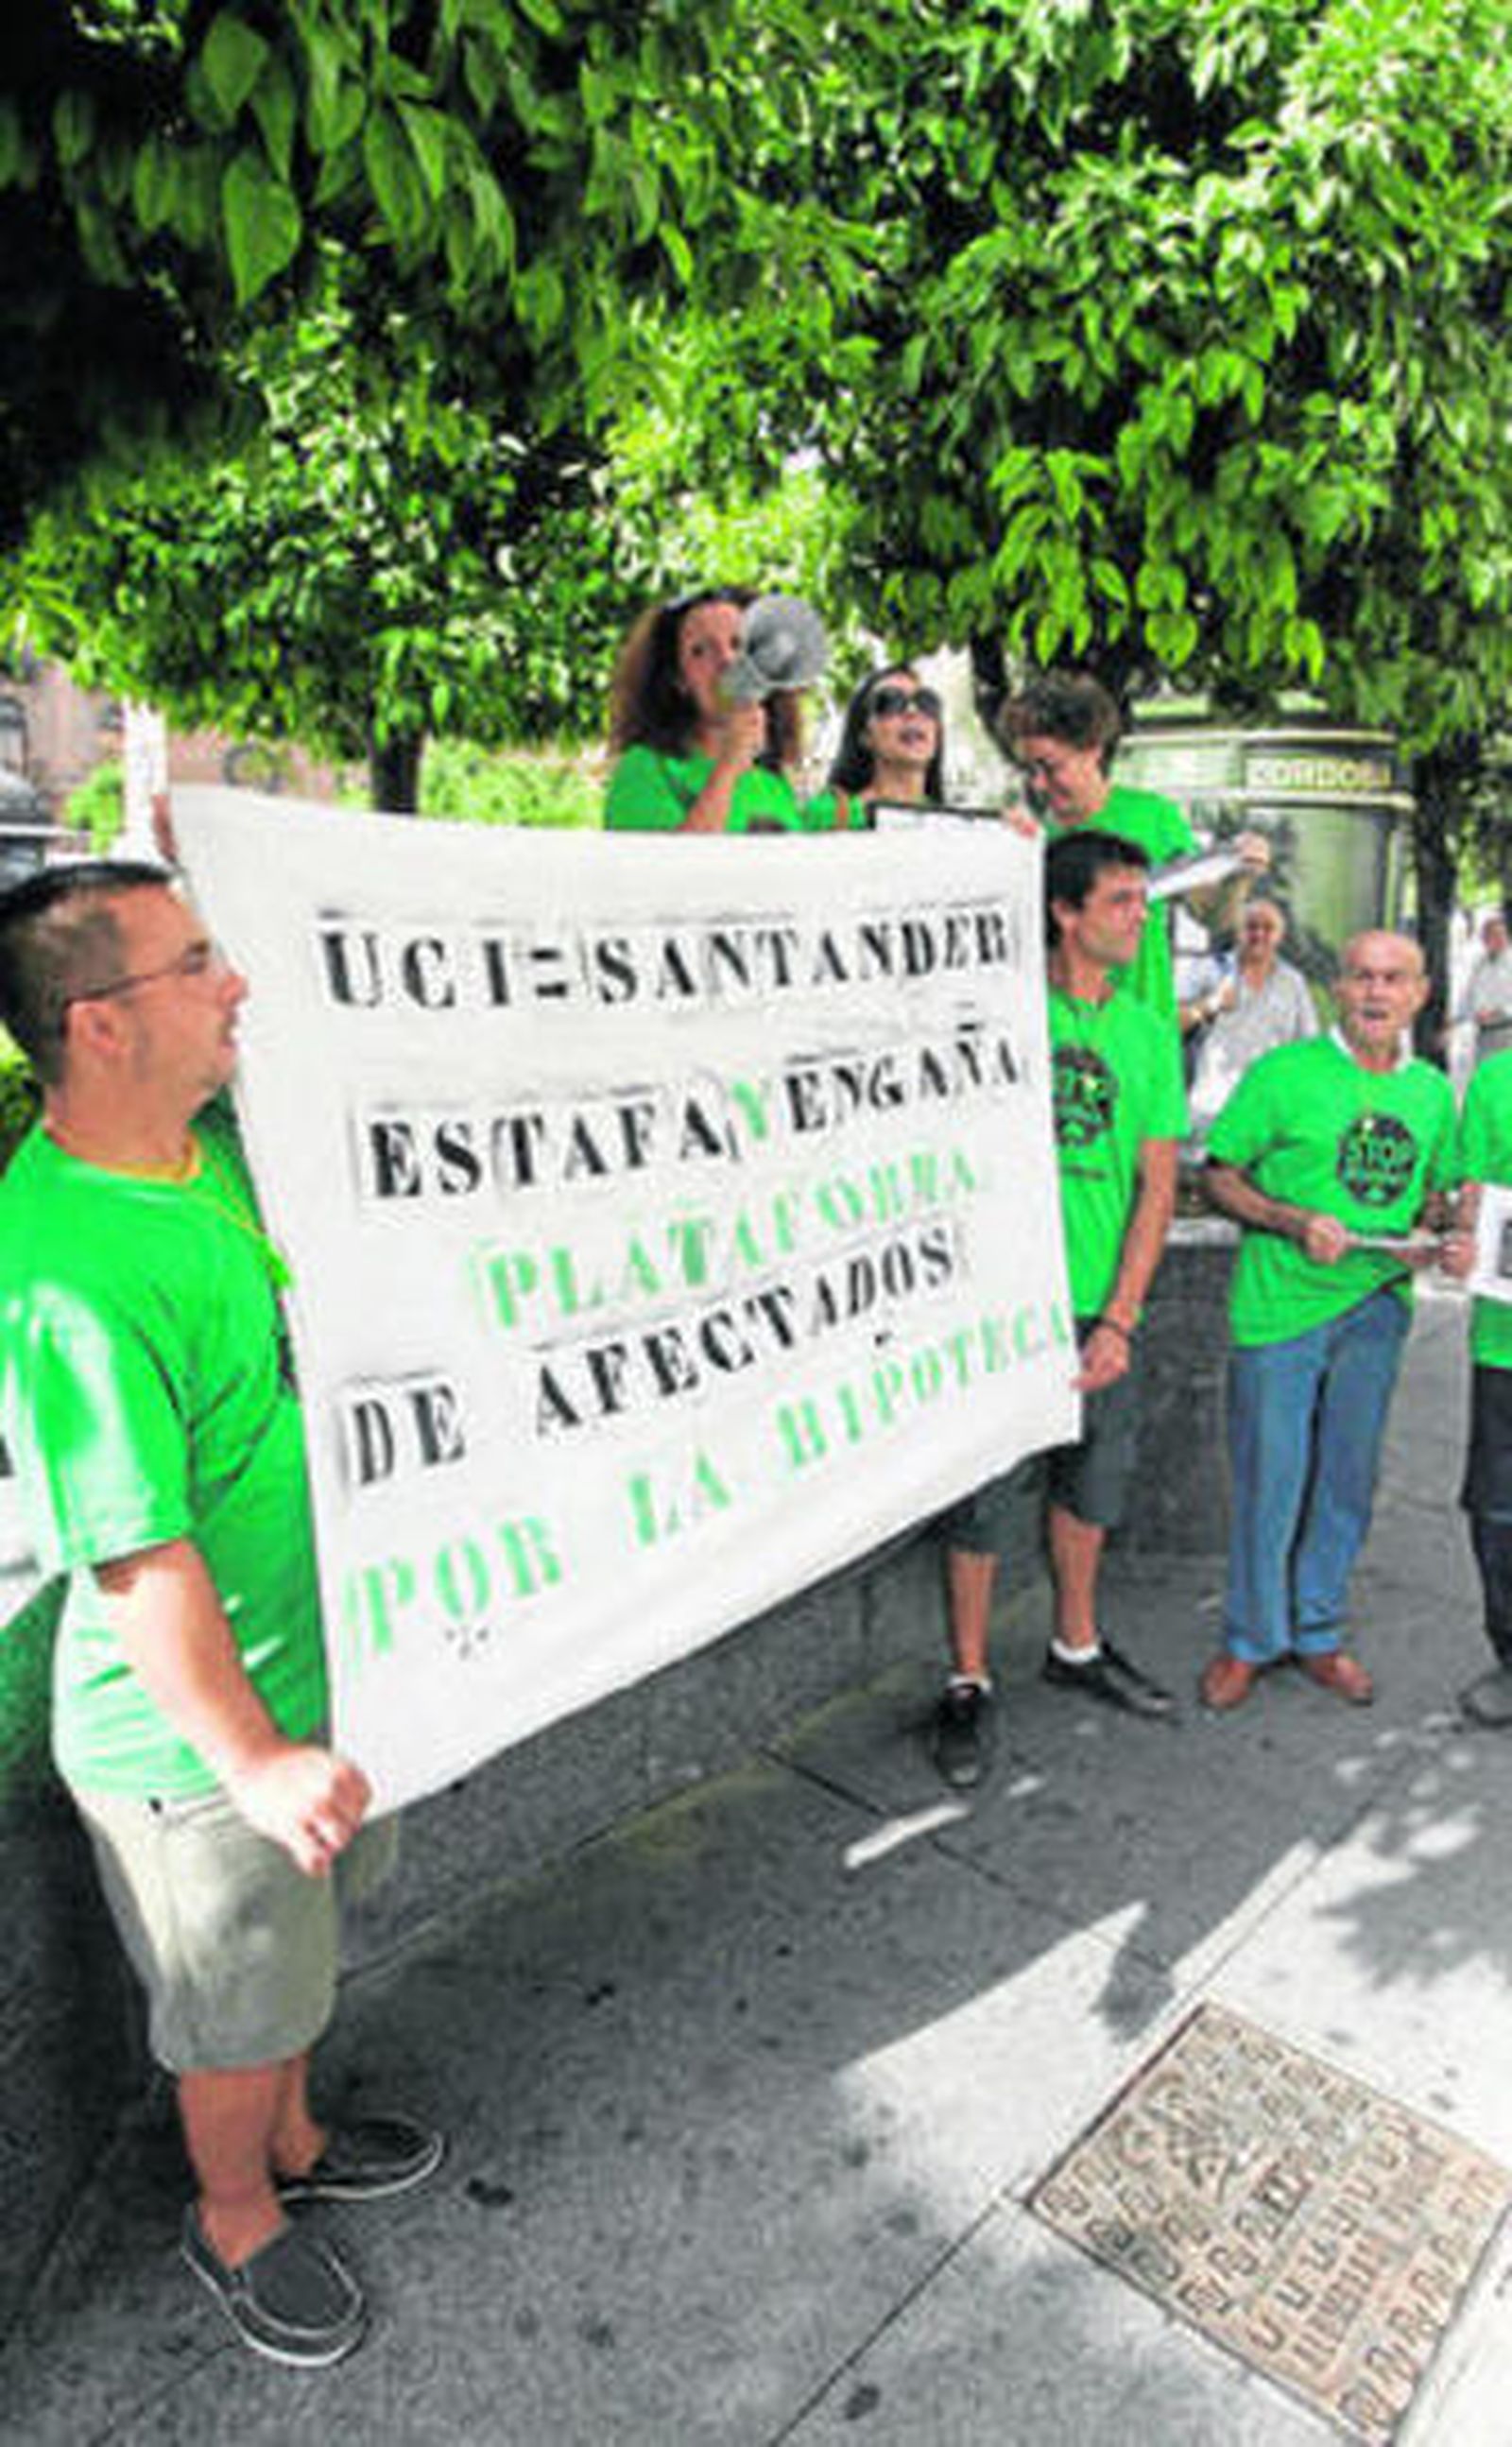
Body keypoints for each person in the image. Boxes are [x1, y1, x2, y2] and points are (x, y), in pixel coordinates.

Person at [0, 863, 441, 2369]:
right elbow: (134, 1555)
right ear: (99, 1025)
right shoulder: (70, 1269)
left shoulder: (198, 1155)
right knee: (232, 2009)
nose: (234, 983)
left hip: (308, 1674)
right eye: (198, 963)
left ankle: (299, 2138)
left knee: (289, 1971)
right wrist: (254, 1763)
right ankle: (238, 2211)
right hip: (198, 1741)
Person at [933, 829, 1188, 1788]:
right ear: (1065, 911)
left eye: (1141, 898)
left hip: (1095, 1308)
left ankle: (1074, 1646)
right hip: (1001, 1304)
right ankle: (966, 1678)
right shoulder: (998, 1011)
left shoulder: (1146, 1031)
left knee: (1091, 1488)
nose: (1140, 916)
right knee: (985, 1500)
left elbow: (1154, 1186)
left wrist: (1119, 1316)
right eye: (1121, 900)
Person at [1199, 931, 1457, 1712]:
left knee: (1346, 1479)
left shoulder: (1432, 1093)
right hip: (1280, 1308)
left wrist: (1432, 1232)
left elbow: (1433, 1197)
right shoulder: (1285, 1073)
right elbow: (1219, 1177)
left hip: (1374, 1307)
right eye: (1362, 977)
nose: (1377, 994)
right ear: (1337, 990)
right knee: (1269, 1482)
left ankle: (1317, 1631)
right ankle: (1249, 1639)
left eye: (1394, 979)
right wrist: (1289, 1218)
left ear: (1419, 992)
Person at [1000, 669, 1271, 1023]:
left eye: (1050, 767)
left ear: (1093, 751)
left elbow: (1212, 916)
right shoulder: (1031, 839)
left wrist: (1240, 878)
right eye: (1028, 769)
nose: (1038, 783)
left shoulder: (1152, 817)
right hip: (1066, 1039)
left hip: (1145, 1037)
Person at [603, 586, 858, 835]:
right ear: (678, 680)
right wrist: (729, 765)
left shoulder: (772, 784)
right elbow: (669, 868)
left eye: (739, 644)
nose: (726, 660)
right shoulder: (646, 767)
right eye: (701, 651)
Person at [1442, 1054, 1512, 1725]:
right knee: (1497, 1509)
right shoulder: (1496, 1080)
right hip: (1504, 1340)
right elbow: (1474, 1194)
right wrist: (1464, 1237)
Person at [1183, 897, 1319, 1144]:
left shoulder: (1293, 983)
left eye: (1268, 928)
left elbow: (1308, 1048)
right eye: (1251, 926)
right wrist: (1210, 1004)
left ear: (1280, 935)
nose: (1259, 934)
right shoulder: (1209, 969)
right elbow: (1169, 1025)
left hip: (1268, 1112)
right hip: (1211, 1109)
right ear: (1238, 930)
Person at [824, 664, 946, 822]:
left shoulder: (953, 826)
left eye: (926, 702)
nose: (912, 712)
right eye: (891, 702)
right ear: (865, 735)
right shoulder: (832, 817)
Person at [1448, 909, 1512, 1069]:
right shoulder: (1479, 964)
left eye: (1499, 935)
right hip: (1483, 1034)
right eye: (1489, 936)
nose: (1494, 940)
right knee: (1485, 1081)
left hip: (1507, 1032)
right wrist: (1454, 1020)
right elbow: (1468, 996)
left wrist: (1499, 1012)